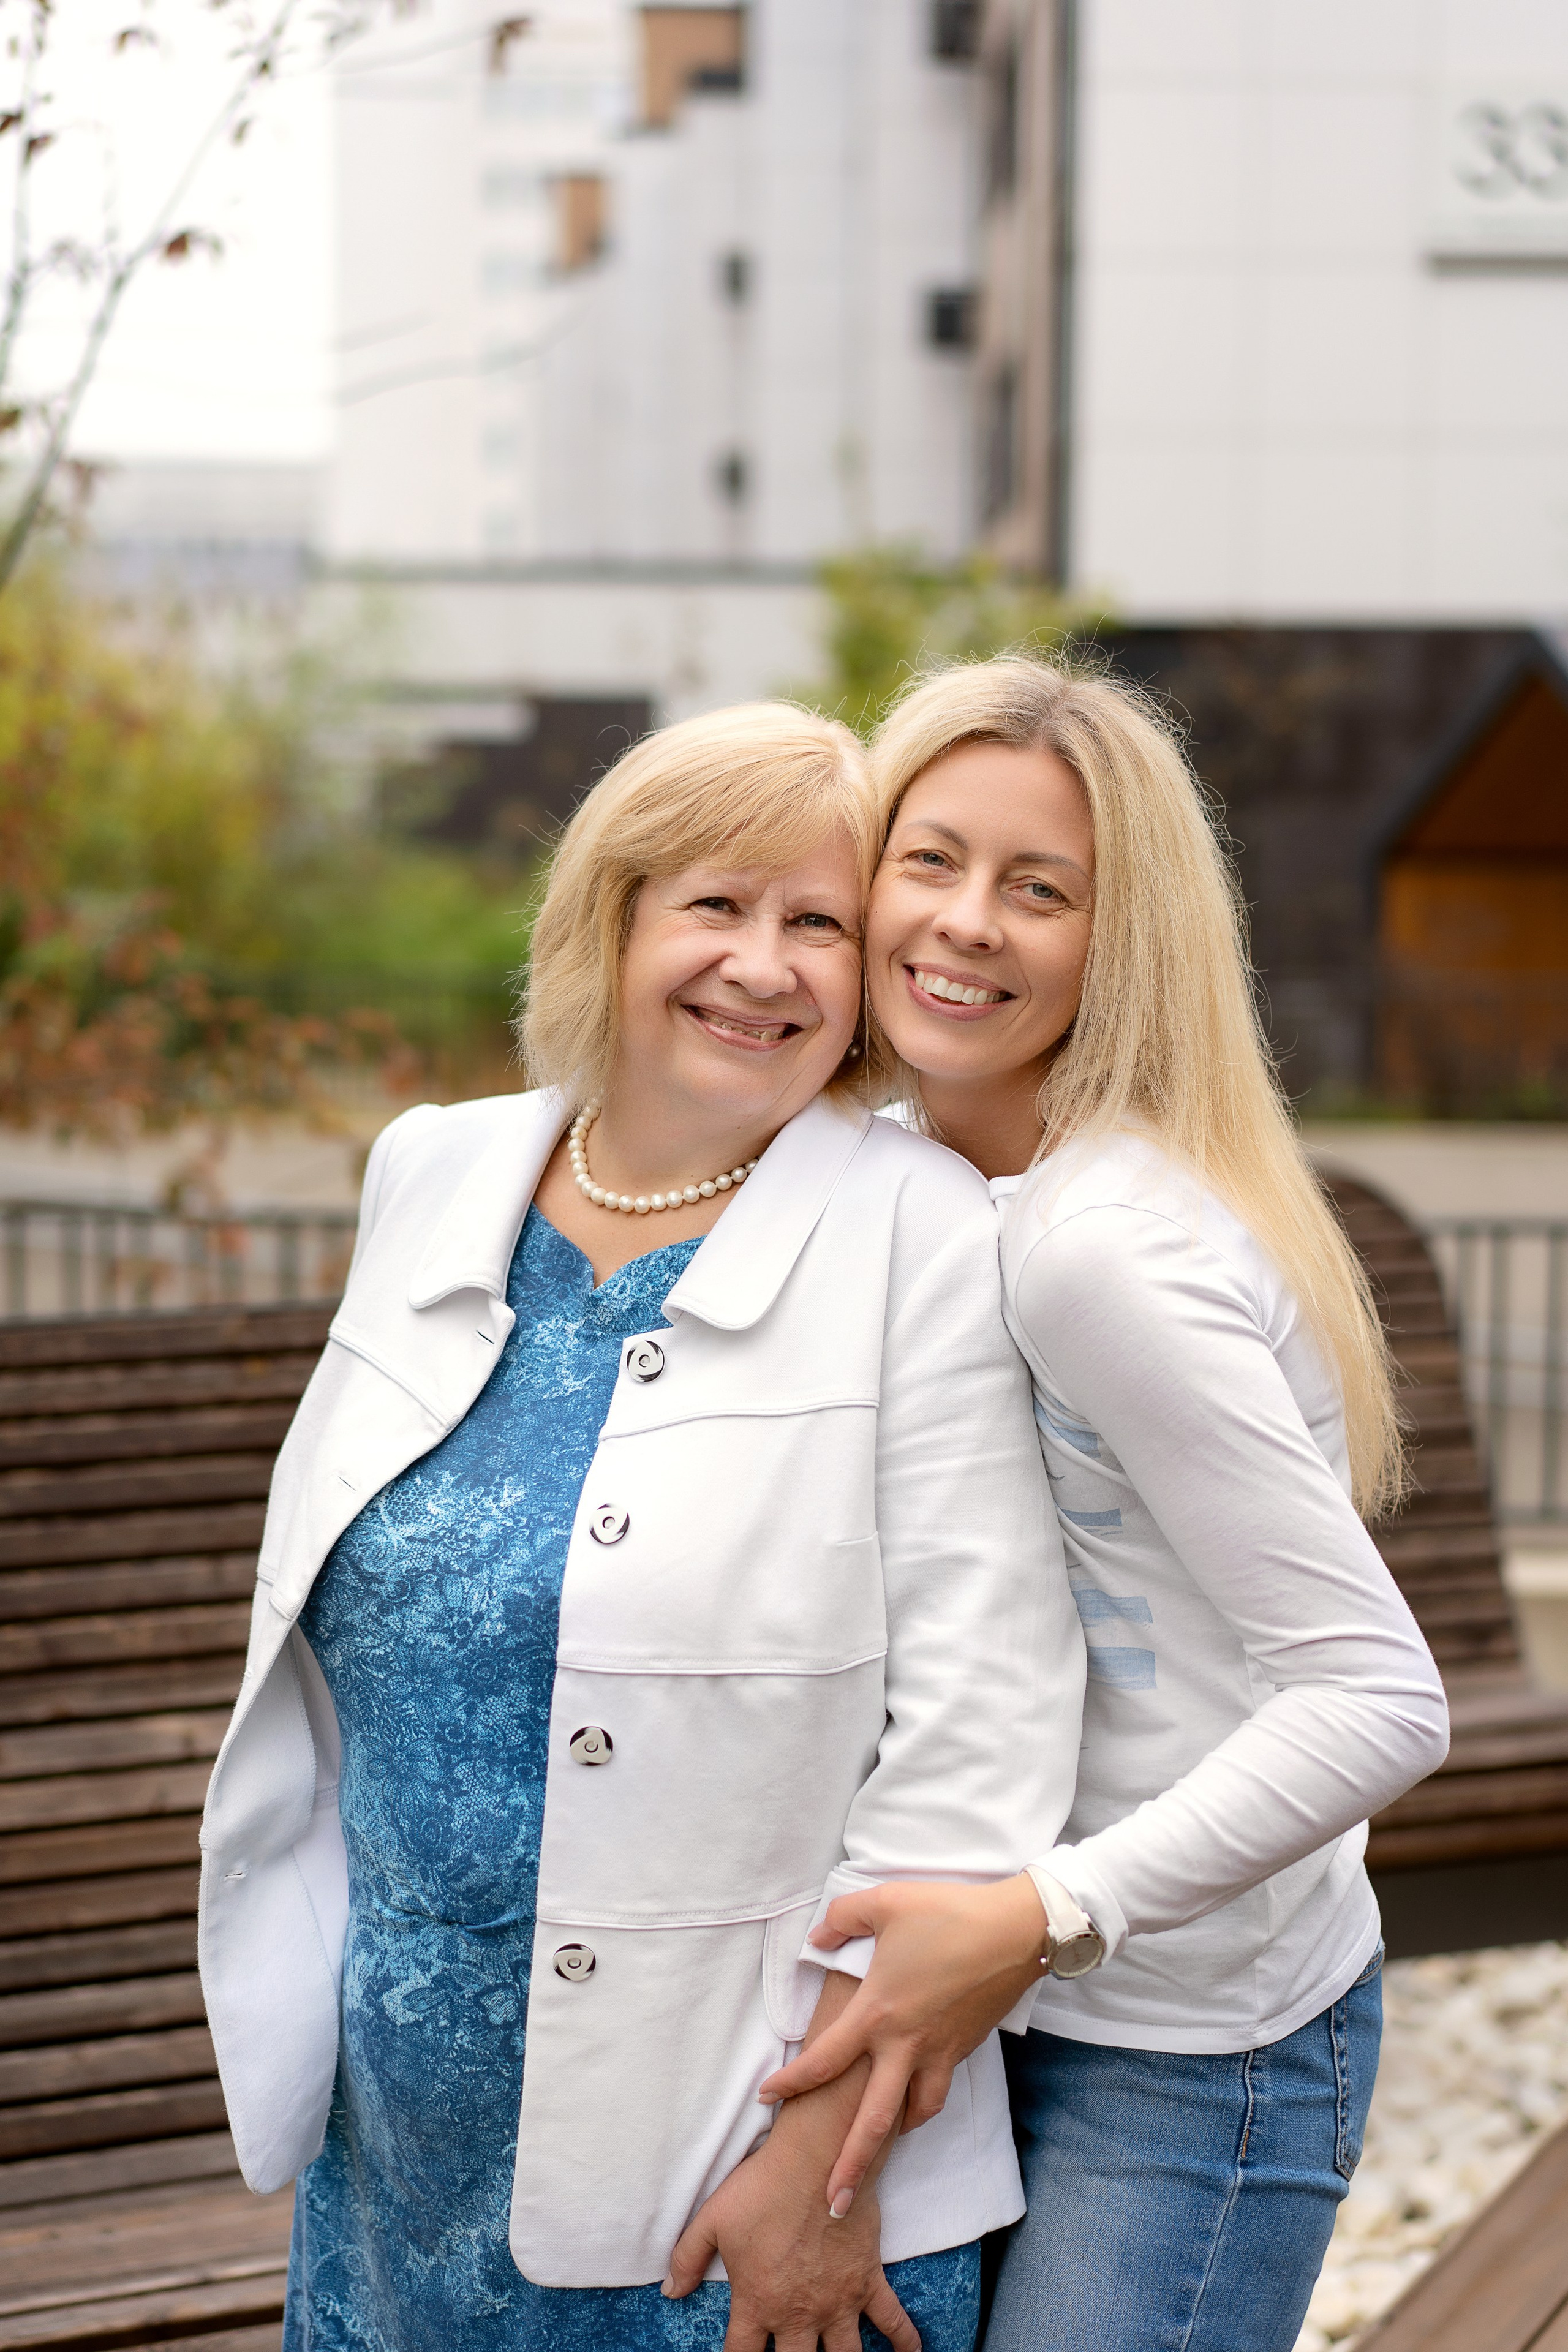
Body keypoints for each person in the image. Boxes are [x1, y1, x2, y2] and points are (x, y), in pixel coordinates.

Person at [197, 700, 1086, 2352]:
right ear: (609, 918)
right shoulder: (434, 1172)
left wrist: (822, 2162)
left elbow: (985, 1732)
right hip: (404, 2137)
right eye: (714, 904)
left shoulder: (922, 1233)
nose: (764, 964)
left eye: (817, 921)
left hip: (740, 2165)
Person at [757, 655, 1450, 2352]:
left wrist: (1036, 1916)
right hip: (1031, 2004)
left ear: (1117, 938)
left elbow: (1380, 1699)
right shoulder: (929, 1197)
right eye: (930, 861)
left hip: (1193, 2053)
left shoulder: (1096, 1252)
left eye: (1039, 888)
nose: (966, 923)